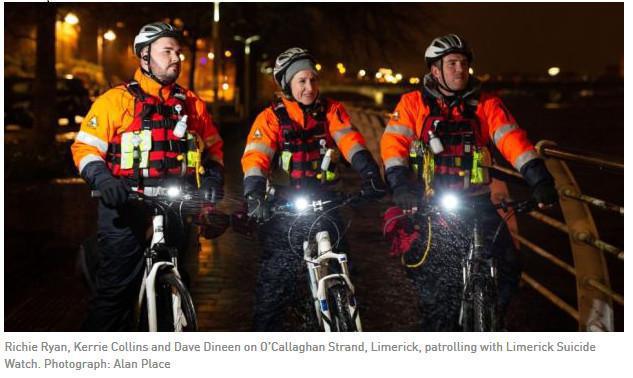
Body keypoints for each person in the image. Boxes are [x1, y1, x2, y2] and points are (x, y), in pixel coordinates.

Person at [380, 34, 558, 331]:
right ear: (435, 71)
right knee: (438, 291)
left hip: (476, 200)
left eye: (463, 63)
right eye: (451, 63)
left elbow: (513, 140)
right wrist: (400, 186)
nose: (460, 69)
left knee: (509, 265)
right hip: (432, 204)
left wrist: (539, 178)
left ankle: (488, 321)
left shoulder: (486, 104)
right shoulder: (412, 104)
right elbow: (393, 145)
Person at [70, 22, 224, 331]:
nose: (176, 58)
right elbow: (84, 147)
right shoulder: (116, 101)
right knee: (115, 295)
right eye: (167, 51)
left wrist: (212, 181)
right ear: (144, 57)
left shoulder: (192, 103)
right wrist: (103, 180)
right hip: (126, 203)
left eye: (178, 52)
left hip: (175, 207)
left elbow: (214, 149)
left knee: (178, 285)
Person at [241, 47, 386, 331]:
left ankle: (344, 317)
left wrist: (369, 170)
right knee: (274, 289)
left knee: (345, 270)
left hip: (327, 202)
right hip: (285, 209)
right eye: (302, 81)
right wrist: (254, 194)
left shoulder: (331, 110)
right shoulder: (270, 119)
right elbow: (256, 156)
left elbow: (349, 140)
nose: (310, 88)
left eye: (313, 80)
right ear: (287, 85)